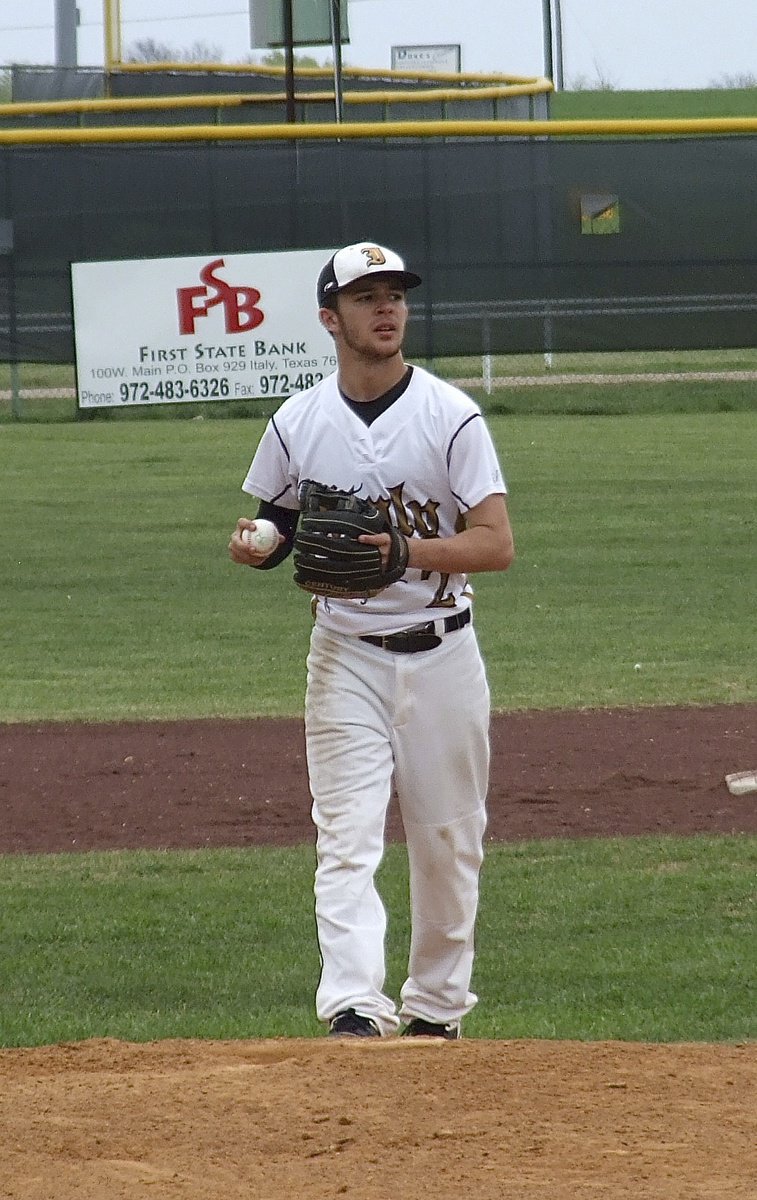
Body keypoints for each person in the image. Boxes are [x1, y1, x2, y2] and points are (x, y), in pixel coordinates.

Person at [229, 241, 514, 1039]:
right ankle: (354, 1006)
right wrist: (257, 545)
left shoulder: (450, 415)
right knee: (347, 835)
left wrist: (404, 552)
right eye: (366, 297)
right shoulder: (297, 420)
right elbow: (278, 523)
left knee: (448, 840)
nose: (386, 308)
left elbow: (495, 544)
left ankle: (436, 1010)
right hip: (345, 652)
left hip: (443, 651)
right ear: (331, 319)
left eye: (394, 295)